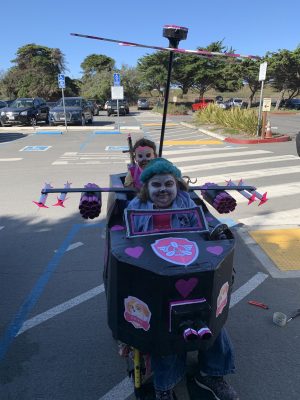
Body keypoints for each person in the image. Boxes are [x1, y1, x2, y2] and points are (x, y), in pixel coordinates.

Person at [126, 158, 239, 400]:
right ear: (147, 187)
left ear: (177, 185)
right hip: (155, 277)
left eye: (169, 183)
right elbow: (129, 243)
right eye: (156, 185)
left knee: (213, 322)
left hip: (189, 271)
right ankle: (164, 385)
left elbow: (205, 233)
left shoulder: (190, 205)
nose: (163, 190)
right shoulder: (136, 208)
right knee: (161, 330)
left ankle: (213, 373)